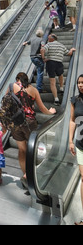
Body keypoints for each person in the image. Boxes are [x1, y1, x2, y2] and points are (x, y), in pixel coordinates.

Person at [7, 72, 56, 189]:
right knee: (31, 150)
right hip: (29, 123)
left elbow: (6, 103)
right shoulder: (33, 90)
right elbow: (42, 108)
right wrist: (51, 112)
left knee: (22, 150)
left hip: (16, 122)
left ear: (17, 79)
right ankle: (27, 175)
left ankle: (25, 174)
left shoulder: (11, 86)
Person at [41, 34, 76, 105]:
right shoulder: (61, 45)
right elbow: (68, 53)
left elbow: (42, 49)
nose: (47, 39)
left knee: (52, 82)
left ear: (52, 39)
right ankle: (61, 88)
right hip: (59, 63)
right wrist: (71, 49)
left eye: (48, 38)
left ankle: (56, 99)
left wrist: (43, 58)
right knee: (61, 75)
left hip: (51, 63)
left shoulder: (49, 44)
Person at [69, 74, 83, 226]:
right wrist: (70, 141)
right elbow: (72, 121)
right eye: (79, 83)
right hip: (80, 145)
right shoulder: (75, 100)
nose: (80, 85)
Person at [23, 29, 45, 93]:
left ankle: (40, 83)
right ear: (42, 35)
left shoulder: (32, 39)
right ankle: (39, 88)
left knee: (39, 70)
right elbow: (43, 47)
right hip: (37, 57)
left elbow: (26, 42)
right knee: (40, 72)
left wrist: (24, 43)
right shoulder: (41, 40)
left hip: (32, 57)